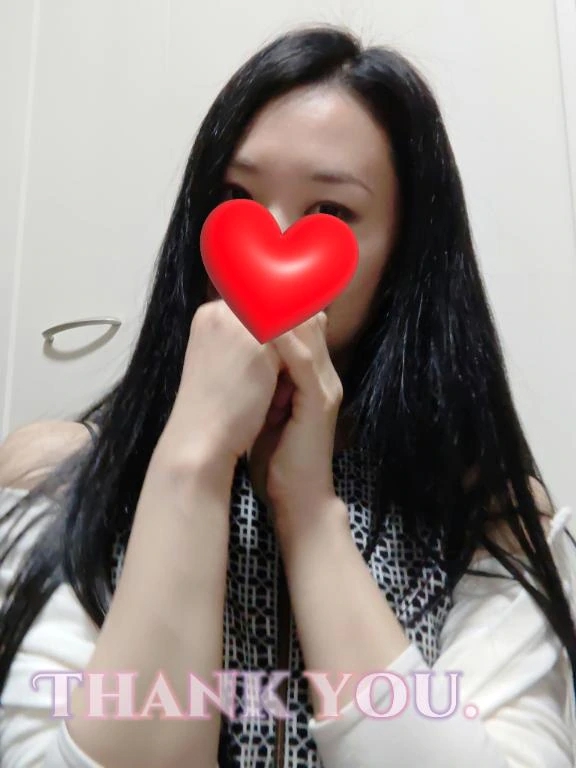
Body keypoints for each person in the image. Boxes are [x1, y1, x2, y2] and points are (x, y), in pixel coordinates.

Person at [0, 24, 575, 768]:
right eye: (236, 197)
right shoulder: (61, 479)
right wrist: (193, 462)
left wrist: (308, 511)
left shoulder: (485, 519)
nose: (270, 243)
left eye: (331, 213)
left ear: (403, 255)